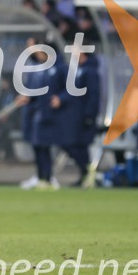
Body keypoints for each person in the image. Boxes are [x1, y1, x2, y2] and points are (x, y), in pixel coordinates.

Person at [15, 40, 65, 190]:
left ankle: (48, 177)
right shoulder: (36, 68)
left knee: (44, 146)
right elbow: (32, 89)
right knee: (37, 146)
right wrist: (25, 96)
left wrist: (61, 98)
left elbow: (68, 88)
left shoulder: (59, 67)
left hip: (49, 114)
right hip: (34, 112)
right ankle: (41, 176)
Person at [51, 46, 100, 188]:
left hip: (82, 116)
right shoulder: (77, 69)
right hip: (72, 116)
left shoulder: (90, 71)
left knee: (77, 145)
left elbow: (93, 95)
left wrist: (89, 115)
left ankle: (88, 173)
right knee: (73, 144)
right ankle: (85, 173)